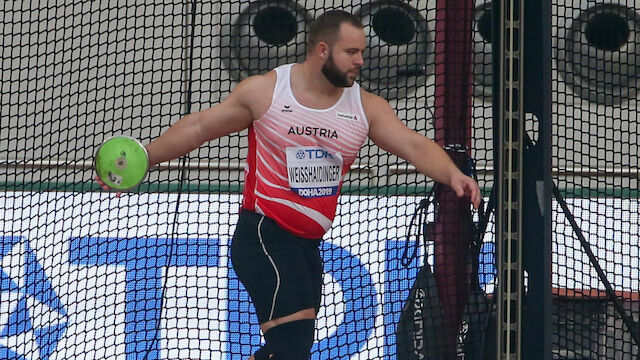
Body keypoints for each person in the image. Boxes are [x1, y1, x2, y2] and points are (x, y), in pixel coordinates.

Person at [96, 9, 481, 360]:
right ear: (321, 50)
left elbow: (413, 144)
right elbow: (199, 127)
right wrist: (145, 158)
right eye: (351, 52)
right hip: (264, 236)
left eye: (361, 52)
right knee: (293, 345)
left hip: (307, 245)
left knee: (288, 350)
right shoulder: (266, 91)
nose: (361, 60)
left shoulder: (366, 107)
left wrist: (453, 175)